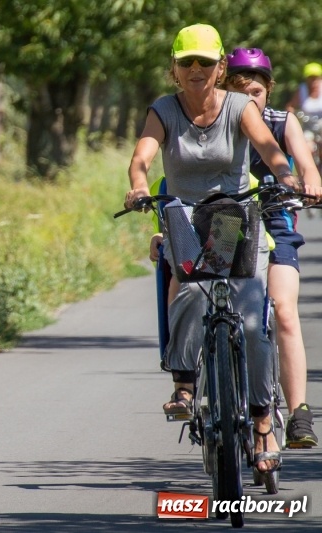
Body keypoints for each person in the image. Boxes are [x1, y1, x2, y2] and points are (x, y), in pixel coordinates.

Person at [125, 24, 300, 474]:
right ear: (174, 70)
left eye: (206, 62)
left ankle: (262, 419)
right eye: (187, 62)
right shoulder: (163, 110)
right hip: (183, 214)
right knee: (185, 291)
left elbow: (268, 146)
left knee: (252, 316)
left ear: (222, 67)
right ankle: (184, 384)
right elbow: (142, 156)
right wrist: (139, 186)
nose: (197, 69)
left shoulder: (240, 107)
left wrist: (286, 177)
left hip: (233, 217)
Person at [223, 47, 322, 447]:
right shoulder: (217, 123)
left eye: (257, 91)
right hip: (228, 222)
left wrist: (310, 181)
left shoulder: (284, 122)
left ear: (269, 90)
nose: (250, 98)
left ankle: (298, 412)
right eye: (240, 91)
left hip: (274, 219)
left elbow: (305, 164)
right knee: (221, 309)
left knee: (283, 311)